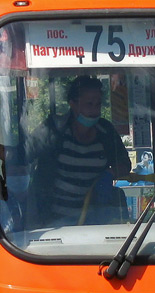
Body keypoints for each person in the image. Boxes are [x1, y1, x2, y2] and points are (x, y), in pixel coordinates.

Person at [28, 75, 132, 224]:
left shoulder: (106, 132)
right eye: (89, 104)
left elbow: (124, 164)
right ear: (73, 104)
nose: (94, 110)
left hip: (94, 221)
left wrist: (110, 173)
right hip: (54, 222)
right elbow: (24, 152)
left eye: (98, 104)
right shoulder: (54, 130)